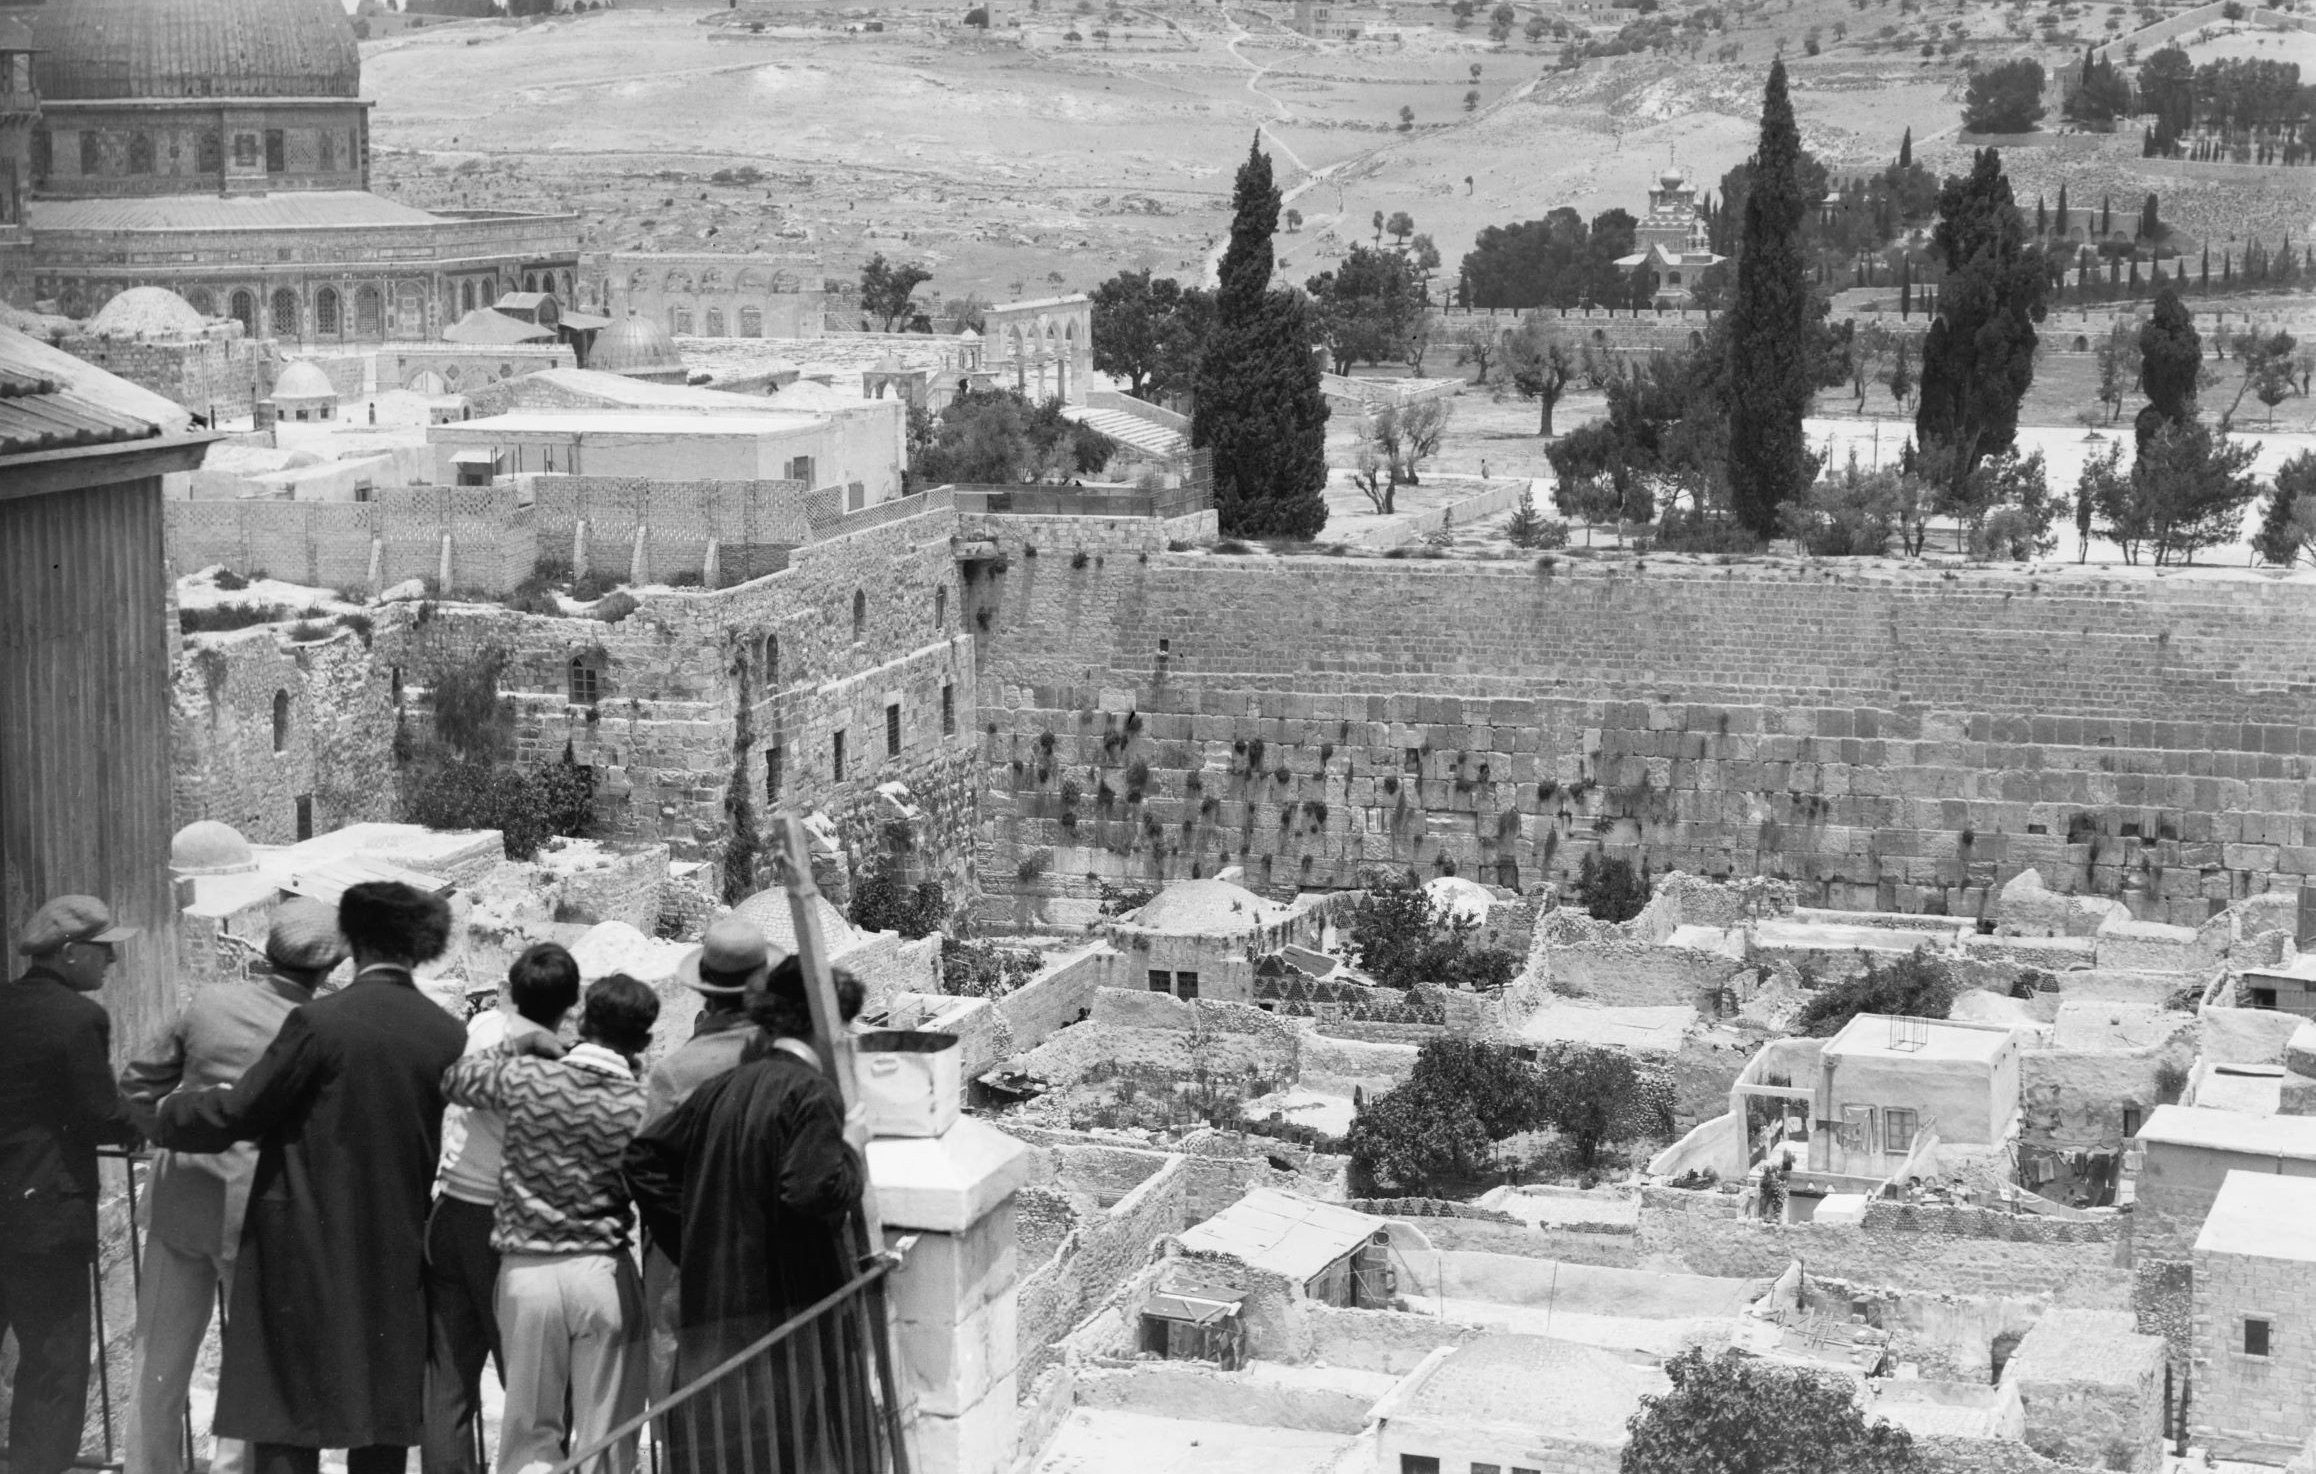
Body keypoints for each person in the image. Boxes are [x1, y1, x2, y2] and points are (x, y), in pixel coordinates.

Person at [154, 880, 467, 1474]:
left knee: (286, 1408)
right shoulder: (446, 1033)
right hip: (392, 1239)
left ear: (353, 943)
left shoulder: (318, 1023)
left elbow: (242, 1111)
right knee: (379, 1414)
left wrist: (170, 1114)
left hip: (298, 1234)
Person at [118, 899, 349, 1474]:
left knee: (158, 1362)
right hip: (261, 1214)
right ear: (328, 966)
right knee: (250, 1369)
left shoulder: (208, 1003)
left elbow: (137, 1083)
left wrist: (168, 1136)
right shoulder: (321, 1026)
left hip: (182, 1201)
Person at [623, 959, 869, 1474]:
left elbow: (644, 1160)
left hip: (716, 1306)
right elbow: (810, 1192)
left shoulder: (724, 1087)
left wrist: (697, 1238)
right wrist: (851, 1150)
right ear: (827, 1024)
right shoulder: (813, 1093)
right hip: (784, 1313)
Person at [442, 974, 660, 1474]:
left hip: (527, 1274)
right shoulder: (639, 1104)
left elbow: (456, 1081)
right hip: (599, 1272)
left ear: (582, 1022)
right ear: (644, 1041)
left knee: (528, 1439)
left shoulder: (531, 1078)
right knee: (605, 1438)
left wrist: (521, 1043)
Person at [424, 943, 583, 1474]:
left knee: (447, 1387)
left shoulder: (481, 1031)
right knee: (535, 1393)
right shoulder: (555, 1065)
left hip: (451, 1214)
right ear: (570, 1005)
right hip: (510, 1231)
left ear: (508, 991)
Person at [0, 895, 140, 1474]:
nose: (111, 963)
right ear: (68, 953)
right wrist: (144, 1124)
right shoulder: (80, 1019)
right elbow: (101, 1110)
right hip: (44, 1214)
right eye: (103, 951)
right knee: (53, 1360)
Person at [638, 918, 781, 1400]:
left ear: (707, 995)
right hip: (768, 1244)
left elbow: (648, 1167)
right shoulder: (787, 1059)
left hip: (690, 1246)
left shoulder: (675, 1072)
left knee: (674, 1359)